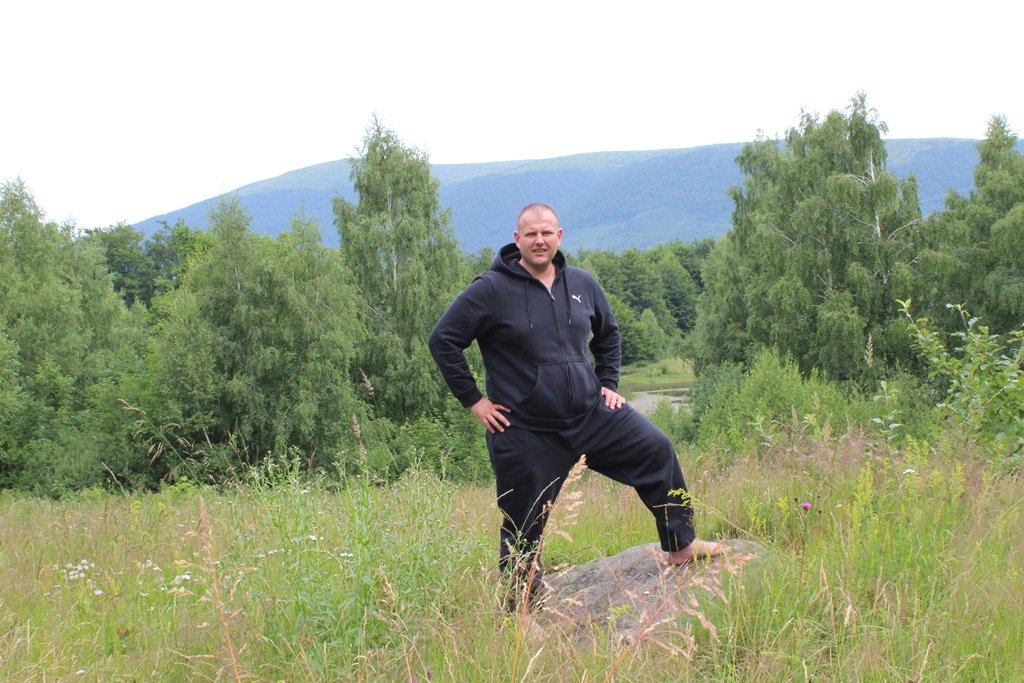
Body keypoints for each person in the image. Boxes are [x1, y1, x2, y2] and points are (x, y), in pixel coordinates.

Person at [428, 202, 725, 609]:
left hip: (591, 416)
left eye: (546, 233)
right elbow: (443, 340)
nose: (539, 240)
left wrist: (608, 383)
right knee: (523, 523)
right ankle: (520, 611)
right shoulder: (491, 290)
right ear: (517, 239)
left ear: (559, 236)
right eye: (531, 234)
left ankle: (680, 546)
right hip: (526, 430)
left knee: (657, 451)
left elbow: (609, 334)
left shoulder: (582, 283)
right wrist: (474, 401)